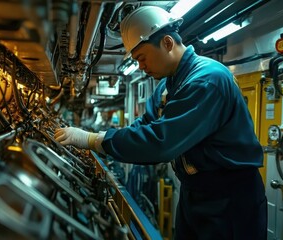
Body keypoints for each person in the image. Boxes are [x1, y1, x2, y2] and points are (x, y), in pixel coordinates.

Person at [54, 6, 267, 240]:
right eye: (136, 61)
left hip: (230, 200)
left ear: (167, 43)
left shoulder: (206, 80)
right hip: (194, 192)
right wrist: (104, 139)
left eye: (142, 58)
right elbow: (145, 125)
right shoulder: (168, 87)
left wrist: (93, 140)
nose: (141, 68)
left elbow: (161, 141)